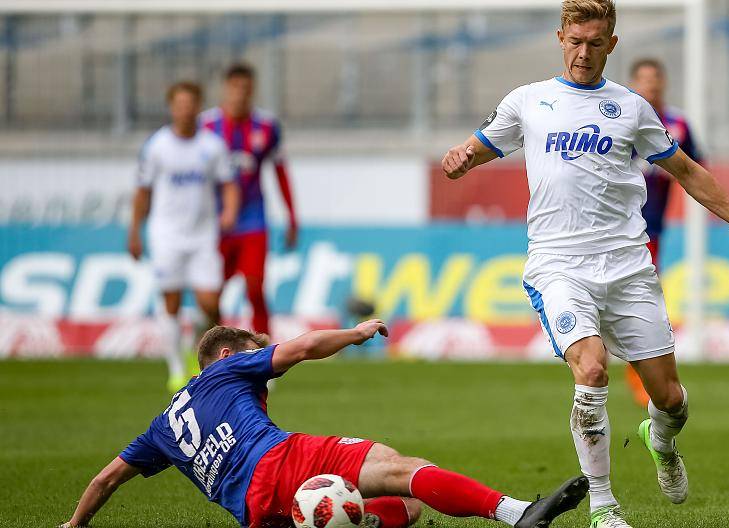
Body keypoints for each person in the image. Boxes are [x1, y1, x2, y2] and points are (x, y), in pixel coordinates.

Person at [440, 1, 729, 527]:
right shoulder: (528, 100)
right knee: (592, 370)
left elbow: (688, 171)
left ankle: (660, 439)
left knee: (670, 398)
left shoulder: (631, 108)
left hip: (627, 265)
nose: (583, 53)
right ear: (560, 38)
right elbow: (480, 147)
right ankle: (604, 507)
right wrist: (461, 158)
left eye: (595, 43)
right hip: (559, 265)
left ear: (612, 44)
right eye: (575, 42)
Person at [58, 322, 589, 528]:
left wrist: (75, 525)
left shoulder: (161, 427)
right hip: (281, 461)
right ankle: (515, 512)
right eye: (255, 352)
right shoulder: (225, 370)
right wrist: (356, 334)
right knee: (399, 470)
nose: (265, 366)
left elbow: (105, 479)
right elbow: (305, 346)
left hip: (255, 512)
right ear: (225, 355)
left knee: (409, 508)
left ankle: (355, 522)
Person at [128, 81, 240, 393]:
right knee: (172, 301)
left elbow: (229, 183)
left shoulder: (212, 146)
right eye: (179, 104)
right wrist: (134, 231)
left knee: (211, 302)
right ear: (171, 107)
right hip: (166, 234)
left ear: (198, 106)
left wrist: (230, 211)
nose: (185, 110)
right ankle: (176, 368)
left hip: (203, 235)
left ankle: (197, 350)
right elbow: (142, 191)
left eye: (190, 104)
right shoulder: (157, 146)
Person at [622, 57, 705, 408]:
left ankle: (645, 378)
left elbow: (696, 167)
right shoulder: (619, 118)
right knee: (636, 302)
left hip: (651, 229)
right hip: (617, 226)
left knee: (642, 301)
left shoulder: (678, 124)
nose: (651, 84)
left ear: (664, 82)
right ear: (633, 83)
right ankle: (638, 378)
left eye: (655, 78)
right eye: (643, 78)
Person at [200, 62, 299, 337]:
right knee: (211, 293)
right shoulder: (206, 125)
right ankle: (213, 350)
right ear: (225, 88)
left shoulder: (266, 127)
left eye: (246, 88)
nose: (240, 93)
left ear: (252, 90)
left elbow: (280, 172)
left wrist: (292, 217)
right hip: (216, 222)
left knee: (255, 287)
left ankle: (265, 349)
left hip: (253, 219)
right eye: (235, 87)